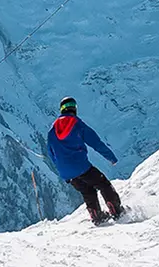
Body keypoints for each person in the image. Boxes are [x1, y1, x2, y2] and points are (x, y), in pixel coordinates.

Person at [47, 96, 123, 224]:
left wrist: (62, 171)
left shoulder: (52, 129)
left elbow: (51, 153)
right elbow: (96, 143)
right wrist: (111, 157)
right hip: (81, 166)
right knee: (103, 184)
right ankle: (116, 210)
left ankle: (97, 216)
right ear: (74, 108)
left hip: (67, 172)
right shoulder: (77, 124)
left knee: (87, 191)